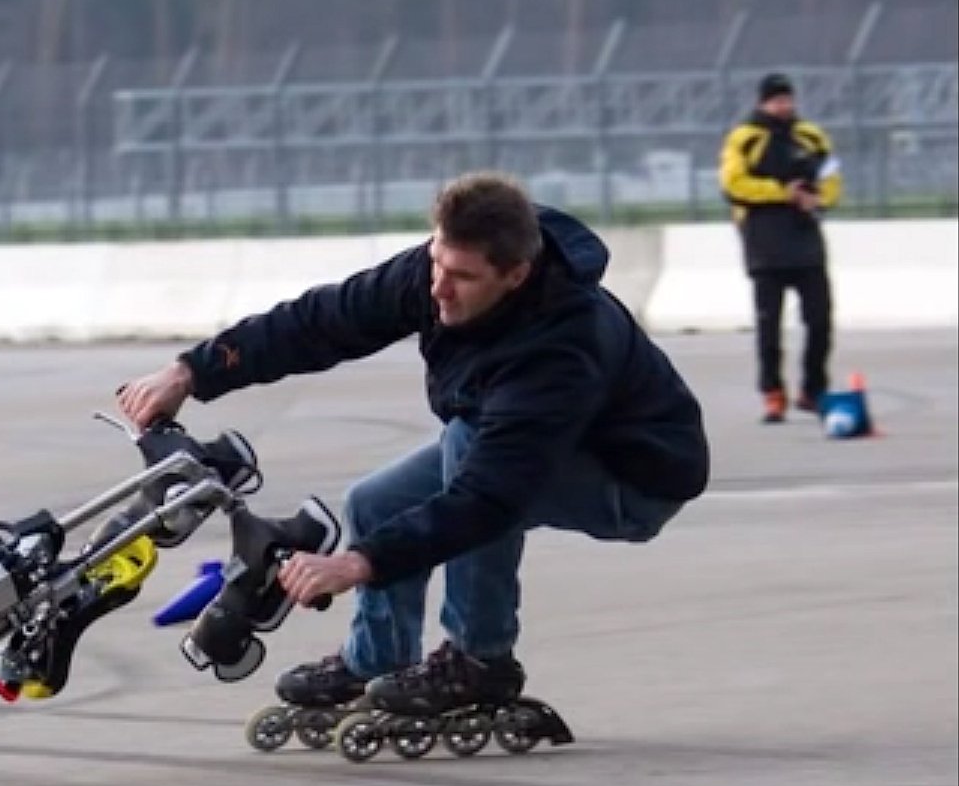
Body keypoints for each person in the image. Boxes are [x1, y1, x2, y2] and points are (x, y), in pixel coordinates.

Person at [116, 172, 711, 716]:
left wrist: (355, 563)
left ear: (515, 275)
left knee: (467, 453)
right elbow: (321, 322)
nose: (439, 289)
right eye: (436, 264)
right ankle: (379, 657)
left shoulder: (560, 349)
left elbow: (487, 501)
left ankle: (481, 660)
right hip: (524, 451)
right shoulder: (439, 270)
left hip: (631, 479)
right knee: (375, 504)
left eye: (462, 278)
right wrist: (192, 372)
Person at [718, 73, 843, 424]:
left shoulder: (811, 136)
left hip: (806, 240)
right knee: (769, 326)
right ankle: (773, 394)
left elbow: (832, 177)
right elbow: (733, 184)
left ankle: (813, 390)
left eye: (787, 99)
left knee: (820, 320)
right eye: (777, 100)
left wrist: (817, 199)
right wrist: (782, 193)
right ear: (763, 102)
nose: (783, 106)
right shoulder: (745, 138)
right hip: (764, 242)